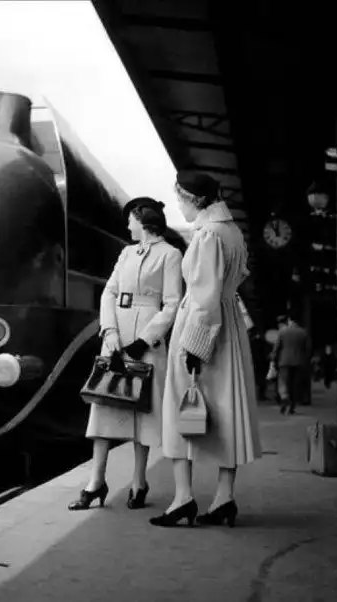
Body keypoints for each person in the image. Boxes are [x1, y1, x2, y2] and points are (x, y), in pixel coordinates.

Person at [151, 171, 262, 528]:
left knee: (180, 407)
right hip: (229, 325)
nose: (179, 206)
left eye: (180, 199)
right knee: (227, 409)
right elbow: (234, 279)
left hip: (203, 326)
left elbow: (203, 296)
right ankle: (224, 498)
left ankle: (183, 499)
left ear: (196, 200)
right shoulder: (232, 232)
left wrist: (195, 346)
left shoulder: (208, 235)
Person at [68, 197, 183, 511]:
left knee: (142, 412)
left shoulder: (170, 255)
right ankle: (95, 482)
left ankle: (139, 482)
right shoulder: (126, 252)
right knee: (104, 404)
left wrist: (145, 340)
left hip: (146, 342)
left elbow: (173, 303)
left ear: (142, 220)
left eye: (130, 220)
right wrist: (110, 331)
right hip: (116, 338)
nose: (127, 226)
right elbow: (109, 291)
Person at [272, 313, 312, 414]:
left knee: (284, 382)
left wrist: (274, 358)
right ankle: (292, 406)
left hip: (284, 361)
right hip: (299, 362)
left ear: (289, 320)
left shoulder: (283, 332)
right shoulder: (303, 332)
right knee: (294, 385)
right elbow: (308, 349)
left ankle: (284, 398)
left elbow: (277, 348)